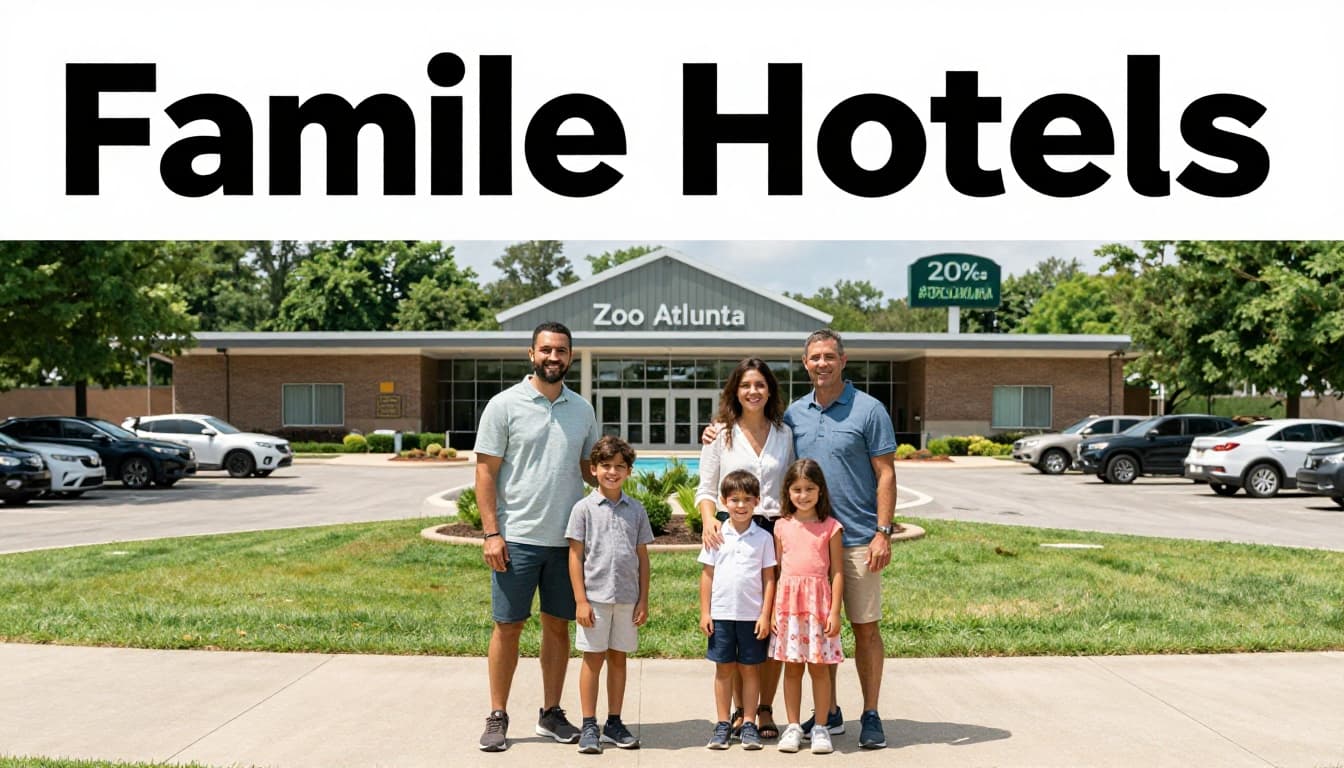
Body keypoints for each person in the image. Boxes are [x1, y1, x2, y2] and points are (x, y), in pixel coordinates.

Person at [703, 328, 897, 749]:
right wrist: (716, 429)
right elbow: (756, 440)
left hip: (858, 537)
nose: (822, 363)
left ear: (843, 360)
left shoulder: (869, 409)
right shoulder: (792, 416)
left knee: (864, 629)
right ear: (805, 363)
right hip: (797, 541)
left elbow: (885, 472)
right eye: (814, 358)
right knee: (797, 633)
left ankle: (871, 714)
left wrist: (883, 532)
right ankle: (828, 713)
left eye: (830, 356)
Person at [474, 321, 601, 753]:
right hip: (517, 538)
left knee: (557, 628)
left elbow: (590, 468)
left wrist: (614, 473)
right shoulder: (504, 405)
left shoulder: (582, 410)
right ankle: (497, 715)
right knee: (508, 627)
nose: (554, 357)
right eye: (546, 350)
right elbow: (485, 472)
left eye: (562, 351)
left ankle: (550, 712)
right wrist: (492, 533)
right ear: (532, 354)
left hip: (566, 543)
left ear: (570, 356)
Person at [693, 357, 793, 739]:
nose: (753, 391)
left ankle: (764, 709)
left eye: (760, 385)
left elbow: (791, 482)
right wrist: (708, 521)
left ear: (770, 390)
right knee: (735, 619)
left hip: (774, 531)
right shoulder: (720, 435)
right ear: (735, 391)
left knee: (770, 622)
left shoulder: (785, 433)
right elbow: (706, 487)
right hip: (730, 529)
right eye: (746, 385)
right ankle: (739, 711)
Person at [566, 435, 653, 754]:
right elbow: (575, 556)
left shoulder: (636, 509)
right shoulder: (583, 509)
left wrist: (643, 599)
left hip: (628, 600)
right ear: (593, 469)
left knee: (619, 658)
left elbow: (642, 557)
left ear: (629, 471)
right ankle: (589, 723)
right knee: (593, 659)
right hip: (595, 600)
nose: (612, 472)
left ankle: (614, 722)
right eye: (606, 466)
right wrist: (581, 600)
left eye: (620, 467)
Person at [698, 469, 778, 751]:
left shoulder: (763, 538)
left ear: (757, 501)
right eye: (734, 500)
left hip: (751, 617)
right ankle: (722, 724)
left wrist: (766, 615)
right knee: (724, 670)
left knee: (750, 670)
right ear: (723, 501)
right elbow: (707, 575)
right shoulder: (717, 536)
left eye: (747, 499)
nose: (741, 505)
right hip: (721, 615)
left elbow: (769, 579)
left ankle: (748, 724)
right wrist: (705, 613)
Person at [771, 458, 845, 754]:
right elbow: (775, 572)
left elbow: (837, 572)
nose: (803, 495)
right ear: (788, 491)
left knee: (819, 669)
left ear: (820, 491)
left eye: (810, 488)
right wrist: (774, 610)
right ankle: (792, 726)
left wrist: (835, 611)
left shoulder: (831, 527)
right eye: (797, 489)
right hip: (788, 607)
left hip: (819, 607)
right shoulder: (781, 527)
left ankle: (822, 727)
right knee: (791, 669)